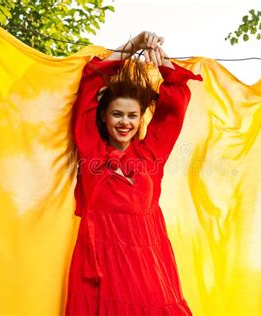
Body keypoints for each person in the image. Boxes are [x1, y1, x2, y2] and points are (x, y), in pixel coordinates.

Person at [65, 31, 203, 315]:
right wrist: (132, 46)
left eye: (132, 116)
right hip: (100, 274)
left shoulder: (151, 153)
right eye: (117, 114)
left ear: (141, 119)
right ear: (104, 116)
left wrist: (161, 63)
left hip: (149, 270)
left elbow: (176, 100)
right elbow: (92, 78)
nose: (125, 122)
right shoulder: (91, 150)